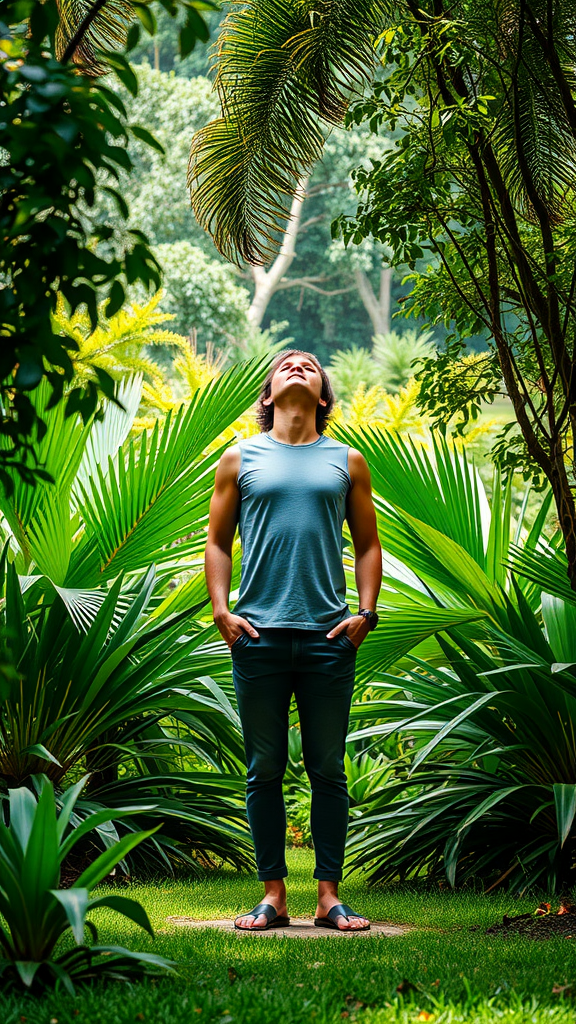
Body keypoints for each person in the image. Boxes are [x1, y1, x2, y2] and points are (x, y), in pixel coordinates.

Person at [205, 349, 382, 931]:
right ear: (268, 396)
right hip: (256, 636)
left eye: (309, 365)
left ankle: (328, 896)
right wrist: (222, 611)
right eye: (287, 364)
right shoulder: (240, 457)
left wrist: (366, 613)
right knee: (264, 767)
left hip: (329, 635)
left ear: (324, 397)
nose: (299, 366)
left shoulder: (347, 461)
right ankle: (274, 894)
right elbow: (218, 542)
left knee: (328, 767)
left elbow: (366, 544)